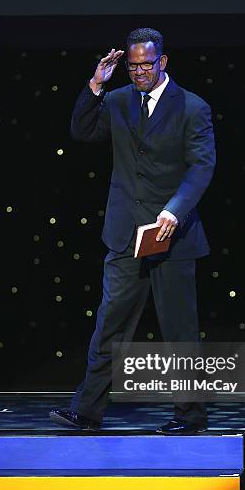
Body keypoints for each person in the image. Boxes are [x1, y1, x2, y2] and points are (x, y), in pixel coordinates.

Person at [49, 27, 216, 434]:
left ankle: (189, 417)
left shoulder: (192, 107)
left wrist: (175, 211)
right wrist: (96, 85)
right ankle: (87, 411)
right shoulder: (120, 99)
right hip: (125, 233)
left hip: (171, 234)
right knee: (110, 323)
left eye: (146, 65)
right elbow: (82, 131)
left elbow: (201, 166)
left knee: (178, 330)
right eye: (132, 65)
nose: (139, 72)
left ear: (163, 62)